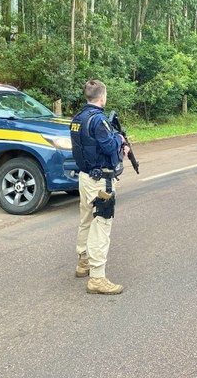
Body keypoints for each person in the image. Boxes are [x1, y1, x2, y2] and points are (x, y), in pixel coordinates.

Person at [70, 79, 130, 295]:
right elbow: (107, 145)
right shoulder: (99, 121)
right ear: (102, 96)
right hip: (101, 181)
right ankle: (97, 277)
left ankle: (83, 262)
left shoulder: (77, 119)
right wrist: (120, 140)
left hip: (85, 178)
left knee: (86, 220)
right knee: (102, 224)